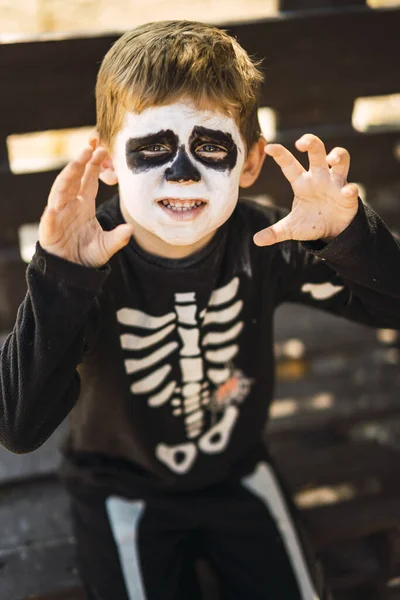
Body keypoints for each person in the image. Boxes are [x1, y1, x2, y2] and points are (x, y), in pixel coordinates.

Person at [1, 19, 399, 600]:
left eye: (210, 148)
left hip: (238, 469)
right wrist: (62, 277)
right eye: (154, 148)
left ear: (249, 164)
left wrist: (345, 239)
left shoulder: (268, 243)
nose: (183, 173)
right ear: (109, 162)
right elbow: (17, 424)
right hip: (120, 483)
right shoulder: (90, 262)